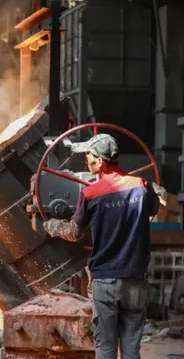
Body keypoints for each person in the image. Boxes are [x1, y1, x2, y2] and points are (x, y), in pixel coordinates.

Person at [41, 133, 163, 359]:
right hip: (135, 282)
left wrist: (52, 225)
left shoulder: (90, 194)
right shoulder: (141, 186)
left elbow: (73, 233)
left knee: (105, 348)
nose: (86, 159)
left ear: (100, 160)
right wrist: (158, 191)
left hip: (105, 282)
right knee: (131, 350)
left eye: (88, 154)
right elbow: (154, 209)